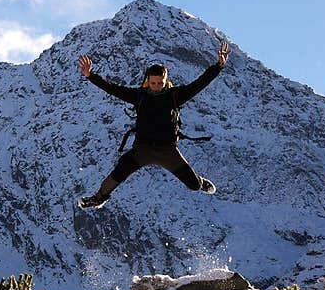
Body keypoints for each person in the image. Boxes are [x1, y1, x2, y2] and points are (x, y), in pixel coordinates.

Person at [77, 41, 230, 209]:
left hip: (168, 151)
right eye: (153, 83)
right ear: (147, 81)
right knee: (119, 172)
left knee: (193, 185)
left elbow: (199, 84)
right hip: (142, 150)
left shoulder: (175, 96)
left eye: (160, 83)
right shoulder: (139, 96)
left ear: (166, 81)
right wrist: (90, 76)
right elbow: (113, 88)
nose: (157, 86)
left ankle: (200, 182)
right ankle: (97, 198)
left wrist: (218, 66)